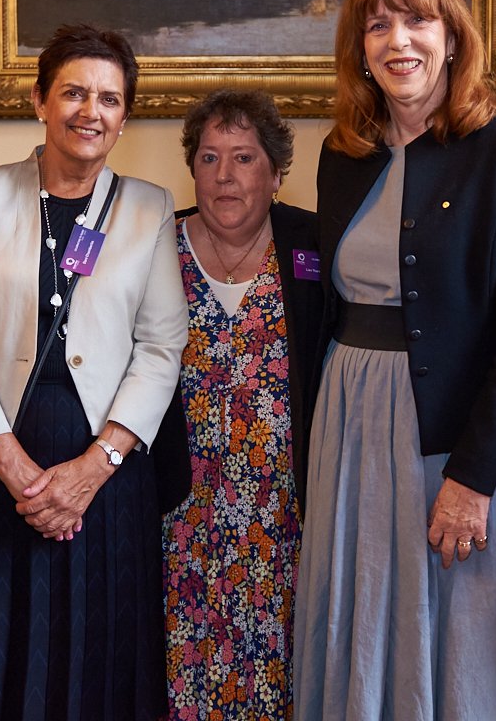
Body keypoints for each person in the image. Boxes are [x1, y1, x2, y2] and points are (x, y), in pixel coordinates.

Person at [293, 0, 496, 719]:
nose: (398, 41)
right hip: (355, 429)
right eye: (377, 25)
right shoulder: (341, 154)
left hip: (466, 437)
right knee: (364, 624)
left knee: (465, 644)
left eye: (417, 20)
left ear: (452, 36)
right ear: (359, 48)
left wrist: (473, 476)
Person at [0, 23, 188, 721]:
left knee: (99, 653)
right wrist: (19, 474)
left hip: (107, 466)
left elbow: (162, 346)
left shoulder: (149, 208)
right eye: (73, 92)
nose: (90, 111)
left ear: (124, 116)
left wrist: (92, 468)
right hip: (0, 458)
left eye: (108, 98)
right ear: (41, 99)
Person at [162, 89, 322, 721]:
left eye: (244, 158)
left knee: (282, 674)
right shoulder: (154, 244)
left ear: (276, 172)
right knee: (183, 676)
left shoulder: (315, 245)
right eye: (208, 158)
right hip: (178, 514)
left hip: (285, 517)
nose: (224, 176)